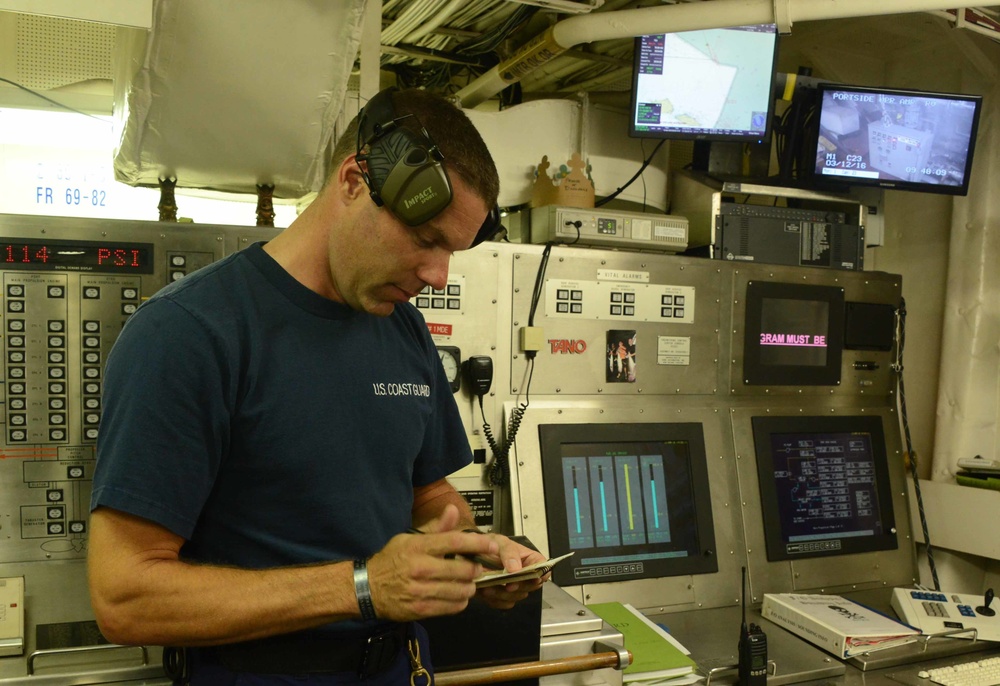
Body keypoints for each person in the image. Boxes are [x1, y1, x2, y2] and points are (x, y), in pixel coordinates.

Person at [87, 87, 546, 685]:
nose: (438, 275)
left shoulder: (401, 328)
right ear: (354, 181)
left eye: (452, 251)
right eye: (426, 239)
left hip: (401, 668)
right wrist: (363, 587)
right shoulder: (190, 334)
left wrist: (471, 553)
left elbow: (431, 495)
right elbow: (124, 596)